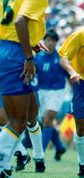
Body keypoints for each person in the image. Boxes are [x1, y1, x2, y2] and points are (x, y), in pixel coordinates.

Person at [0, 0, 48, 177]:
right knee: (18, 121)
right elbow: (20, 22)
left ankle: (30, 158)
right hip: (17, 56)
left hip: (4, 51)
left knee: (30, 114)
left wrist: (29, 43)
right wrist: (28, 56)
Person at [35, 28, 67, 161]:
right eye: (47, 40)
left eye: (53, 40)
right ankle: (60, 147)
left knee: (48, 119)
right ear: (44, 40)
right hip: (41, 92)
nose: (50, 43)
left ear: (56, 42)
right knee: (45, 122)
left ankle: (39, 154)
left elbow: (69, 76)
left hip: (57, 92)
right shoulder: (38, 57)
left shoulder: (61, 58)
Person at [58, 27, 84, 177]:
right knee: (81, 128)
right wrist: (72, 72)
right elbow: (63, 57)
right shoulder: (79, 35)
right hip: (81, 84)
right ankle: (82, 164)